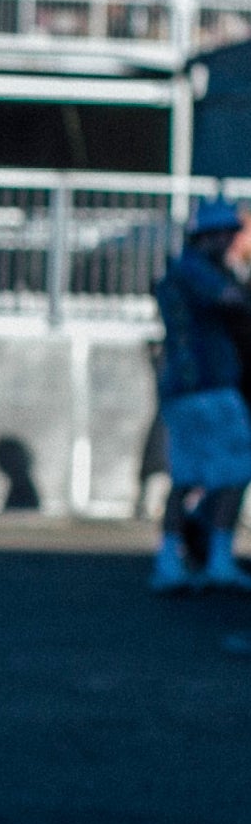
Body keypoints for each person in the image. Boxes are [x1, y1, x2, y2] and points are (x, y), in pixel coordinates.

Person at [150, 198, 251, 592]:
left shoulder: (179, 269)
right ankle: (218, 560)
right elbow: (232, 301)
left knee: (187, 476)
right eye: (224, 232)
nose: (230, 240)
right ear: (205, 235)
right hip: (209, 385)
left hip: (183, 386)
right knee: (238, 469)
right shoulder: (198, 270)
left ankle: (169, 561)